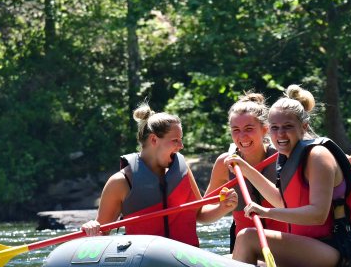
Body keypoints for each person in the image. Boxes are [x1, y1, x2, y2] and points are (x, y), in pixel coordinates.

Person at [226, 84, 351, 267]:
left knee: (248, 237)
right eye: (275, 128)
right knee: (228, 259)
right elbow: (283, 202)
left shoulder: (317, 155)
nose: (280, 134)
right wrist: (245, 168)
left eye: (288, 127)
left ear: (304, 126)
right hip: (309, 248)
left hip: (336, 250)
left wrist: (266, 212)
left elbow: (318, 214)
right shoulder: (288, 156)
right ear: (268, 129)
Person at [82, 103, 237, 245]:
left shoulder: (182, 171)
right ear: (154, 140)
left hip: (187, 260)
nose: (181, 146)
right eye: (175, 140)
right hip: (145, 263)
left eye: (181, 140)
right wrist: (92, 228)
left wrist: (223, 207)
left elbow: (200, 214)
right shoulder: (120, 182)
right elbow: (101, 234)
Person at [204, 93, 288, 252]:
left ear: (265, 130)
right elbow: (202, 215)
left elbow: (291, 205)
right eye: (236, 130)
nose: (242, 136)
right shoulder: (224, 164)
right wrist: (222, 208)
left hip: (285, 246)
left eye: (249, 129)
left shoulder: (284, 158)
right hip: (244, 250)